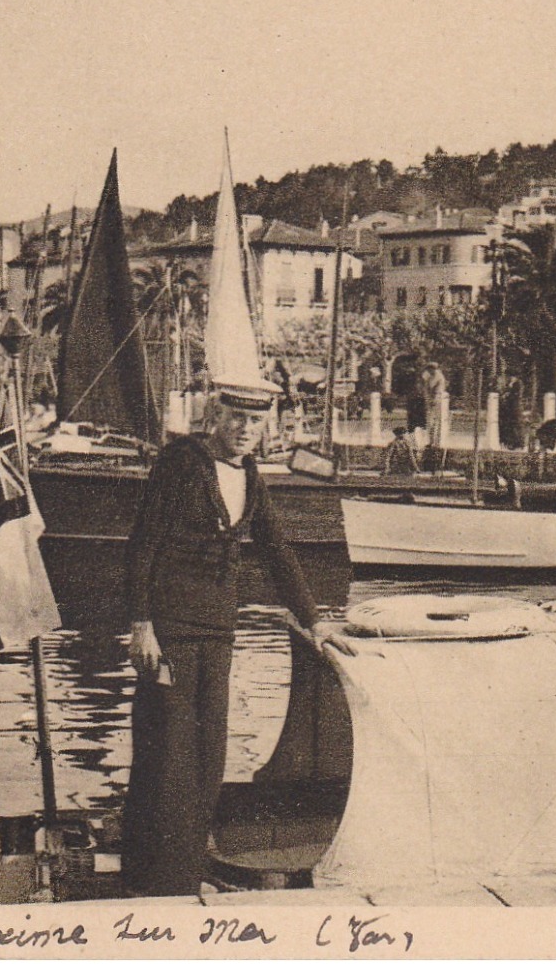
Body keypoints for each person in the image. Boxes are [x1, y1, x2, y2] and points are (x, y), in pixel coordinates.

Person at [121, 377, 352, 897]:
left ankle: (184, 869)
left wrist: (315, 620)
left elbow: (276, 549)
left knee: (208, 754)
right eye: (236, 418)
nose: (246, 429)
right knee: (169, 754)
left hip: (218, 630)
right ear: (214, 416)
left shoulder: (248, 473)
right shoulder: (182, 463)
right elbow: (143, 544)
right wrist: (141, 624)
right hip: (172, 631)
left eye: (255, 420)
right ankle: (156, 879)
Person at [424, 362, 447, 450]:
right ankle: (431, 441)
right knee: (430, 422)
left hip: (436, 401)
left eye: (431, 369)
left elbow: (437, 391)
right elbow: (426, 388)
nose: (429, 371)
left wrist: (433, 400)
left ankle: (436, 442)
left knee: (435, 422)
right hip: (431, 401)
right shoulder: (430, 376)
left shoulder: (438, 377)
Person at [499, 375, 525, 451]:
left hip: (515, 407)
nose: (510, 378)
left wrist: (508, 393)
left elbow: (515, 396)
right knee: (512, 426)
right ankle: (513, 443)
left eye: (511, 376)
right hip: (511, 408)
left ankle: (519, 444)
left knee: (516, 425)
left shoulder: (518, 384)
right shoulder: (511, 383)